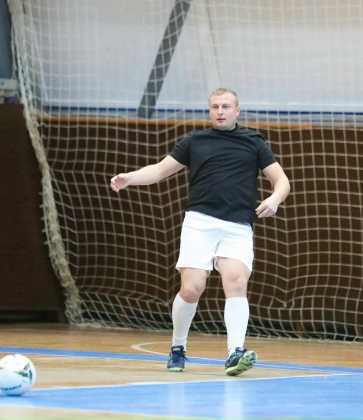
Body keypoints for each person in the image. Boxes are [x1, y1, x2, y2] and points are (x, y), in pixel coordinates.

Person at [110, 88, 290, 376]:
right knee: (192, 288)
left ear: (237, 110)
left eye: (226, 106)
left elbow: (281, 181)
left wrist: (275, 199)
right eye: (215, 106)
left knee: (236, 281)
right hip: (200, 222)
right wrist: (130, 178)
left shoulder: (254, 142)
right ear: (209, 110)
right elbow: (159, 170)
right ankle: (178, 347)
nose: (220, 111)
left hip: (237, 226)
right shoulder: (195, 141)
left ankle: (235, 352)